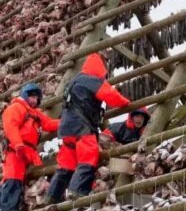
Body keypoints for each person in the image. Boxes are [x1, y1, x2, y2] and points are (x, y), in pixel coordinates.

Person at [46, 52, 131, 203]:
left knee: (66, 164)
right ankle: (75, 193)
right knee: (88, 158)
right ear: (101, 68)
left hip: (66, 129)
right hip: (82, 128)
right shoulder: (92, 80)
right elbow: (111, 95)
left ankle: (52, 197)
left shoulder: (73, 81)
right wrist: (126, 103)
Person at [0, 83, 59, 211]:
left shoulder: (36, 114)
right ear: (25, 95)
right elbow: (11, 127)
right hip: (15, 149)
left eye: (37, 98)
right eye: (32, 97)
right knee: (13, 177)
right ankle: (7, 210)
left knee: (10, 179)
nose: (35, 100)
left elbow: (48, 124)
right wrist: (18, 144)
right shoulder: (16, 108)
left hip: (27, 151)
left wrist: (64, 121)